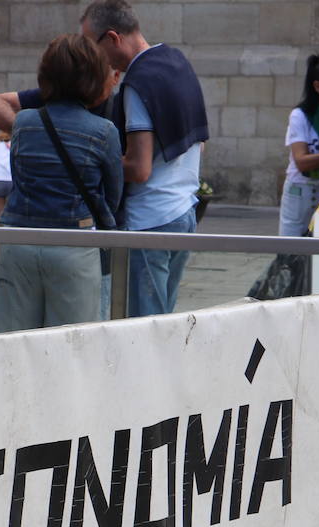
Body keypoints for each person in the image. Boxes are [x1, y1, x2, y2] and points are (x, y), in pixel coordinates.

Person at [0, 35, 121, 334]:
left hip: (19, 240)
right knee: (71, 346)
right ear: (95, 78)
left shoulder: (24, 122)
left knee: (10, 342)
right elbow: (112, 198)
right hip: (75, 245)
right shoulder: (104, 131)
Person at [81, 0, 208, 317]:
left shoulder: (137, 84)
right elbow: (200, 143)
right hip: (184, 212)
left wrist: (90, 158)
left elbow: (139, 168)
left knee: (145, 327)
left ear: (112, 38)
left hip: (149, 222)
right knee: (165, 320)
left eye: (90, 46)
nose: (91, 58)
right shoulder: (176, 61)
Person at [280, 55, 319, 237]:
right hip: (300, 191)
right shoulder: (301, 116)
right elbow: (301, 161)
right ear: (318, 86)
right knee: (291, 249)